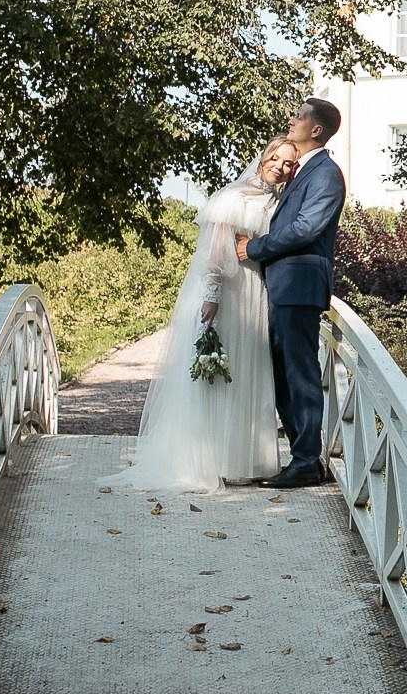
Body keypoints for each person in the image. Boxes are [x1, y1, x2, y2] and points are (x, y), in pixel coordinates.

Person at [111, 138, 301, 490]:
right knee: (218, 373)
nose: (280, 166)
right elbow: (215, 250)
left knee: (248, 371)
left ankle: (242, 459)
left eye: (288, 163)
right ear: (263, 156)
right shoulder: (233, 196)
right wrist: (212, 295)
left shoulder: (278, 201)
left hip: (255, 291)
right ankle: (208, 459)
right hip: (228, 289)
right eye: (275, 158)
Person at [236, 97, 346, 489]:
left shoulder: (326, 174)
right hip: (283, 287)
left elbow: (305, 228)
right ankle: (300, 459)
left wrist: (254, 248)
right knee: (284, 375)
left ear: (315, 129)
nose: (291, 120)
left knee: (299, 375)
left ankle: (304, 463)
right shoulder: (301, 173)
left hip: (298, 287)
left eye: (298, 117)